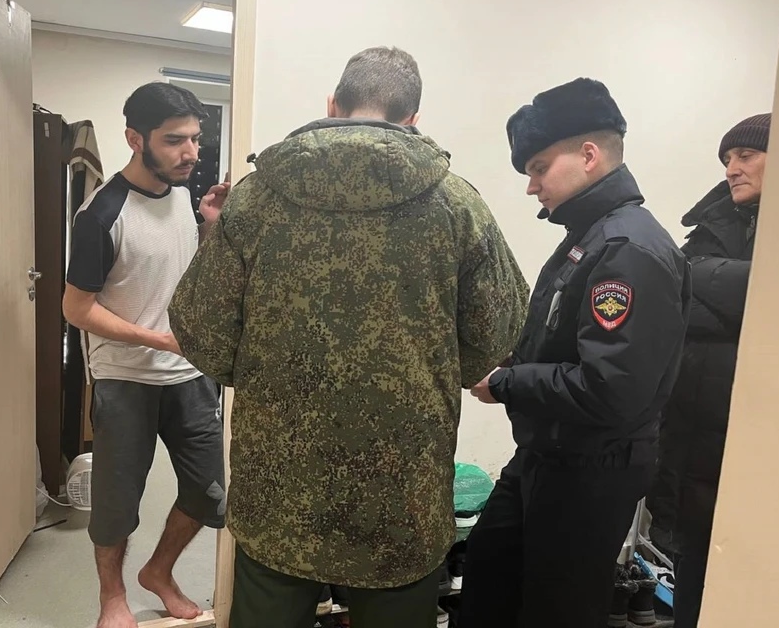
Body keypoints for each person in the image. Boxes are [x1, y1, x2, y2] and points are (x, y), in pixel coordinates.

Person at [168, 46, 529, 628]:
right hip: (402, 488)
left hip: (279, 482)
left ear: (333, 105)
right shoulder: (456, 204)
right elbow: (496, 333)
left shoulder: (257, 198)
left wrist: (259, 372)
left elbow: (201, 330)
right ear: (412, 118)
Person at [463, 78, 692, 627]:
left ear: (589, 155)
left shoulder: (626, 250)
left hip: (589, 472)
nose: (531, 186)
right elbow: (563, 341)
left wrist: (508, 383)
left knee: (556, 611)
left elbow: (610, 388)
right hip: (547, 456)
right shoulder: (588, 238)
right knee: (490, 580)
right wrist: (512, 365)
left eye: (539, 168)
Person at [62, 82, 230, 628]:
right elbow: (77, 309)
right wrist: (159, 338)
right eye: (174, 140)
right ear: (135, 139)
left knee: (209, 493)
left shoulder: (182, 193)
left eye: (195, 139)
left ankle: (158, 571)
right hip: (125, 378)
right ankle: (111, 598)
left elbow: (170, 267)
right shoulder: (100, 214)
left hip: (189, 377)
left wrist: (208, 226)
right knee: (116, 505)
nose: (190, 153)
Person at [648, 113, 770, 627]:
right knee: (693, 585)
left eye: (745, 155)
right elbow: (671, 294)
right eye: (727, 159)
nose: (731, 169)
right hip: (692, 447)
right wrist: (752, 297)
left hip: (764, 447)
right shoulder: (712, 225)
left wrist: (714, 293)